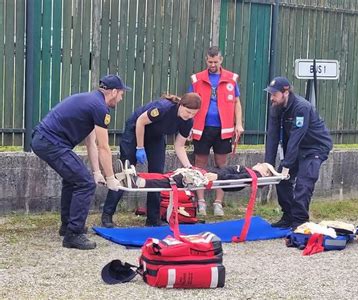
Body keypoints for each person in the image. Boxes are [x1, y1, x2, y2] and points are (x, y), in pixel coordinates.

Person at [30, 74, 130, 250]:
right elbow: (104, 147)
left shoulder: (91, 102)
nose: (121, 98)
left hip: (45, 140)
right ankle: (73, 235)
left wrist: (97, 172)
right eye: (121, 94)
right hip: (51, 142)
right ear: (113, 92)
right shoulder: (100, 108)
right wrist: (111, 177)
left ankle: (68, 226)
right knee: (84, 183)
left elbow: (91, 143)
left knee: (74, 180)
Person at [101, 93, 201, 227]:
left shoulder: (188, 121)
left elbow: (179, 145)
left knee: (158, 176)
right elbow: (140, 122)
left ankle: (153, 219)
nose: (189, 116)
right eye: (188, 112)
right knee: (124, 174)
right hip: (135, 131)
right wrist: (140, 147)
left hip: (156, 137)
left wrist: (188, 166)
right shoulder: (162, 108)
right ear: (180, 105)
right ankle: (107, 215)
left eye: (193, 114)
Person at [264, 76, 333, 230]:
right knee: (281, 180)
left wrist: (287, 164)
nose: (271, 98)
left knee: (304, 183)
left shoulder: (302, 107)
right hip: (296, 147)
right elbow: (272, 136)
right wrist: (268, 165)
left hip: (315, 147)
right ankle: (288, 216)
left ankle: (300, 222)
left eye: (274, 94)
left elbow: (296, 136)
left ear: (286, 92)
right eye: (271, 94)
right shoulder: (276, 107)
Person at [188, 46, 244, 217]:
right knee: (200, 165)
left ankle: (218, 202)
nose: (212, 64)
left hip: (224, 129)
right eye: (210, 61)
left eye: (215, 61)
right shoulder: (197, 79)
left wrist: (238, 124)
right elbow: (189, 104)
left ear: (221, 60)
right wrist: (189, 126)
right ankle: (201, 202)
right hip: (202, 128)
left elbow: (236, 102)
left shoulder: (231, 79)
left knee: (222, 166)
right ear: (206, 60)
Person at [117, 162, 284, 190]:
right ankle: (137, 177)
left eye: (262, 164)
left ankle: (140, 181)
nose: (258, 163)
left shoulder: (252, 174)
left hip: (205, 177)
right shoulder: (249, 172)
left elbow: (233, 180)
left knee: (172, 181)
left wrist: (218, 178)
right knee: (172, 177)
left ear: (266, 172)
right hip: (204, 174)